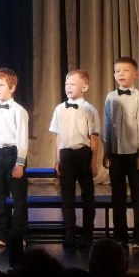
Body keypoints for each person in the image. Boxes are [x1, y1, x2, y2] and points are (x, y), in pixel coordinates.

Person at [102, 56, 139, 251]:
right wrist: (106, 151)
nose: (120, 74)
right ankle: (119, 236)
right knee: (117, 196)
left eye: (125, 70)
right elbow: (107, 125)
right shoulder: (110, 97)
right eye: (117, 71)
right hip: (115, 153)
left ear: (136, 74)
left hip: (134, 153)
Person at [49, 69, 100, 248]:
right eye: (66, 84)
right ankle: (69, 233)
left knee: (88, 196)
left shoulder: (89, 109)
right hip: (66, 155)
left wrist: (93, 162)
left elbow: (94, 138)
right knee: (67, 197)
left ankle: (87, 233)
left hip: (83, 154)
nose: (68, 87)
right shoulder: (59, 109)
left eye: (72, 84)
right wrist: (58, 159)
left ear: (84, 87)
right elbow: (58, 136)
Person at [0, 67, 29, 249]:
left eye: (1, 85)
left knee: (18, 198)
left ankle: (18, 233)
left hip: (13, 154)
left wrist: (20, 163)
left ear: (12, 87)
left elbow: (22, 138)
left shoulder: (19, 110)